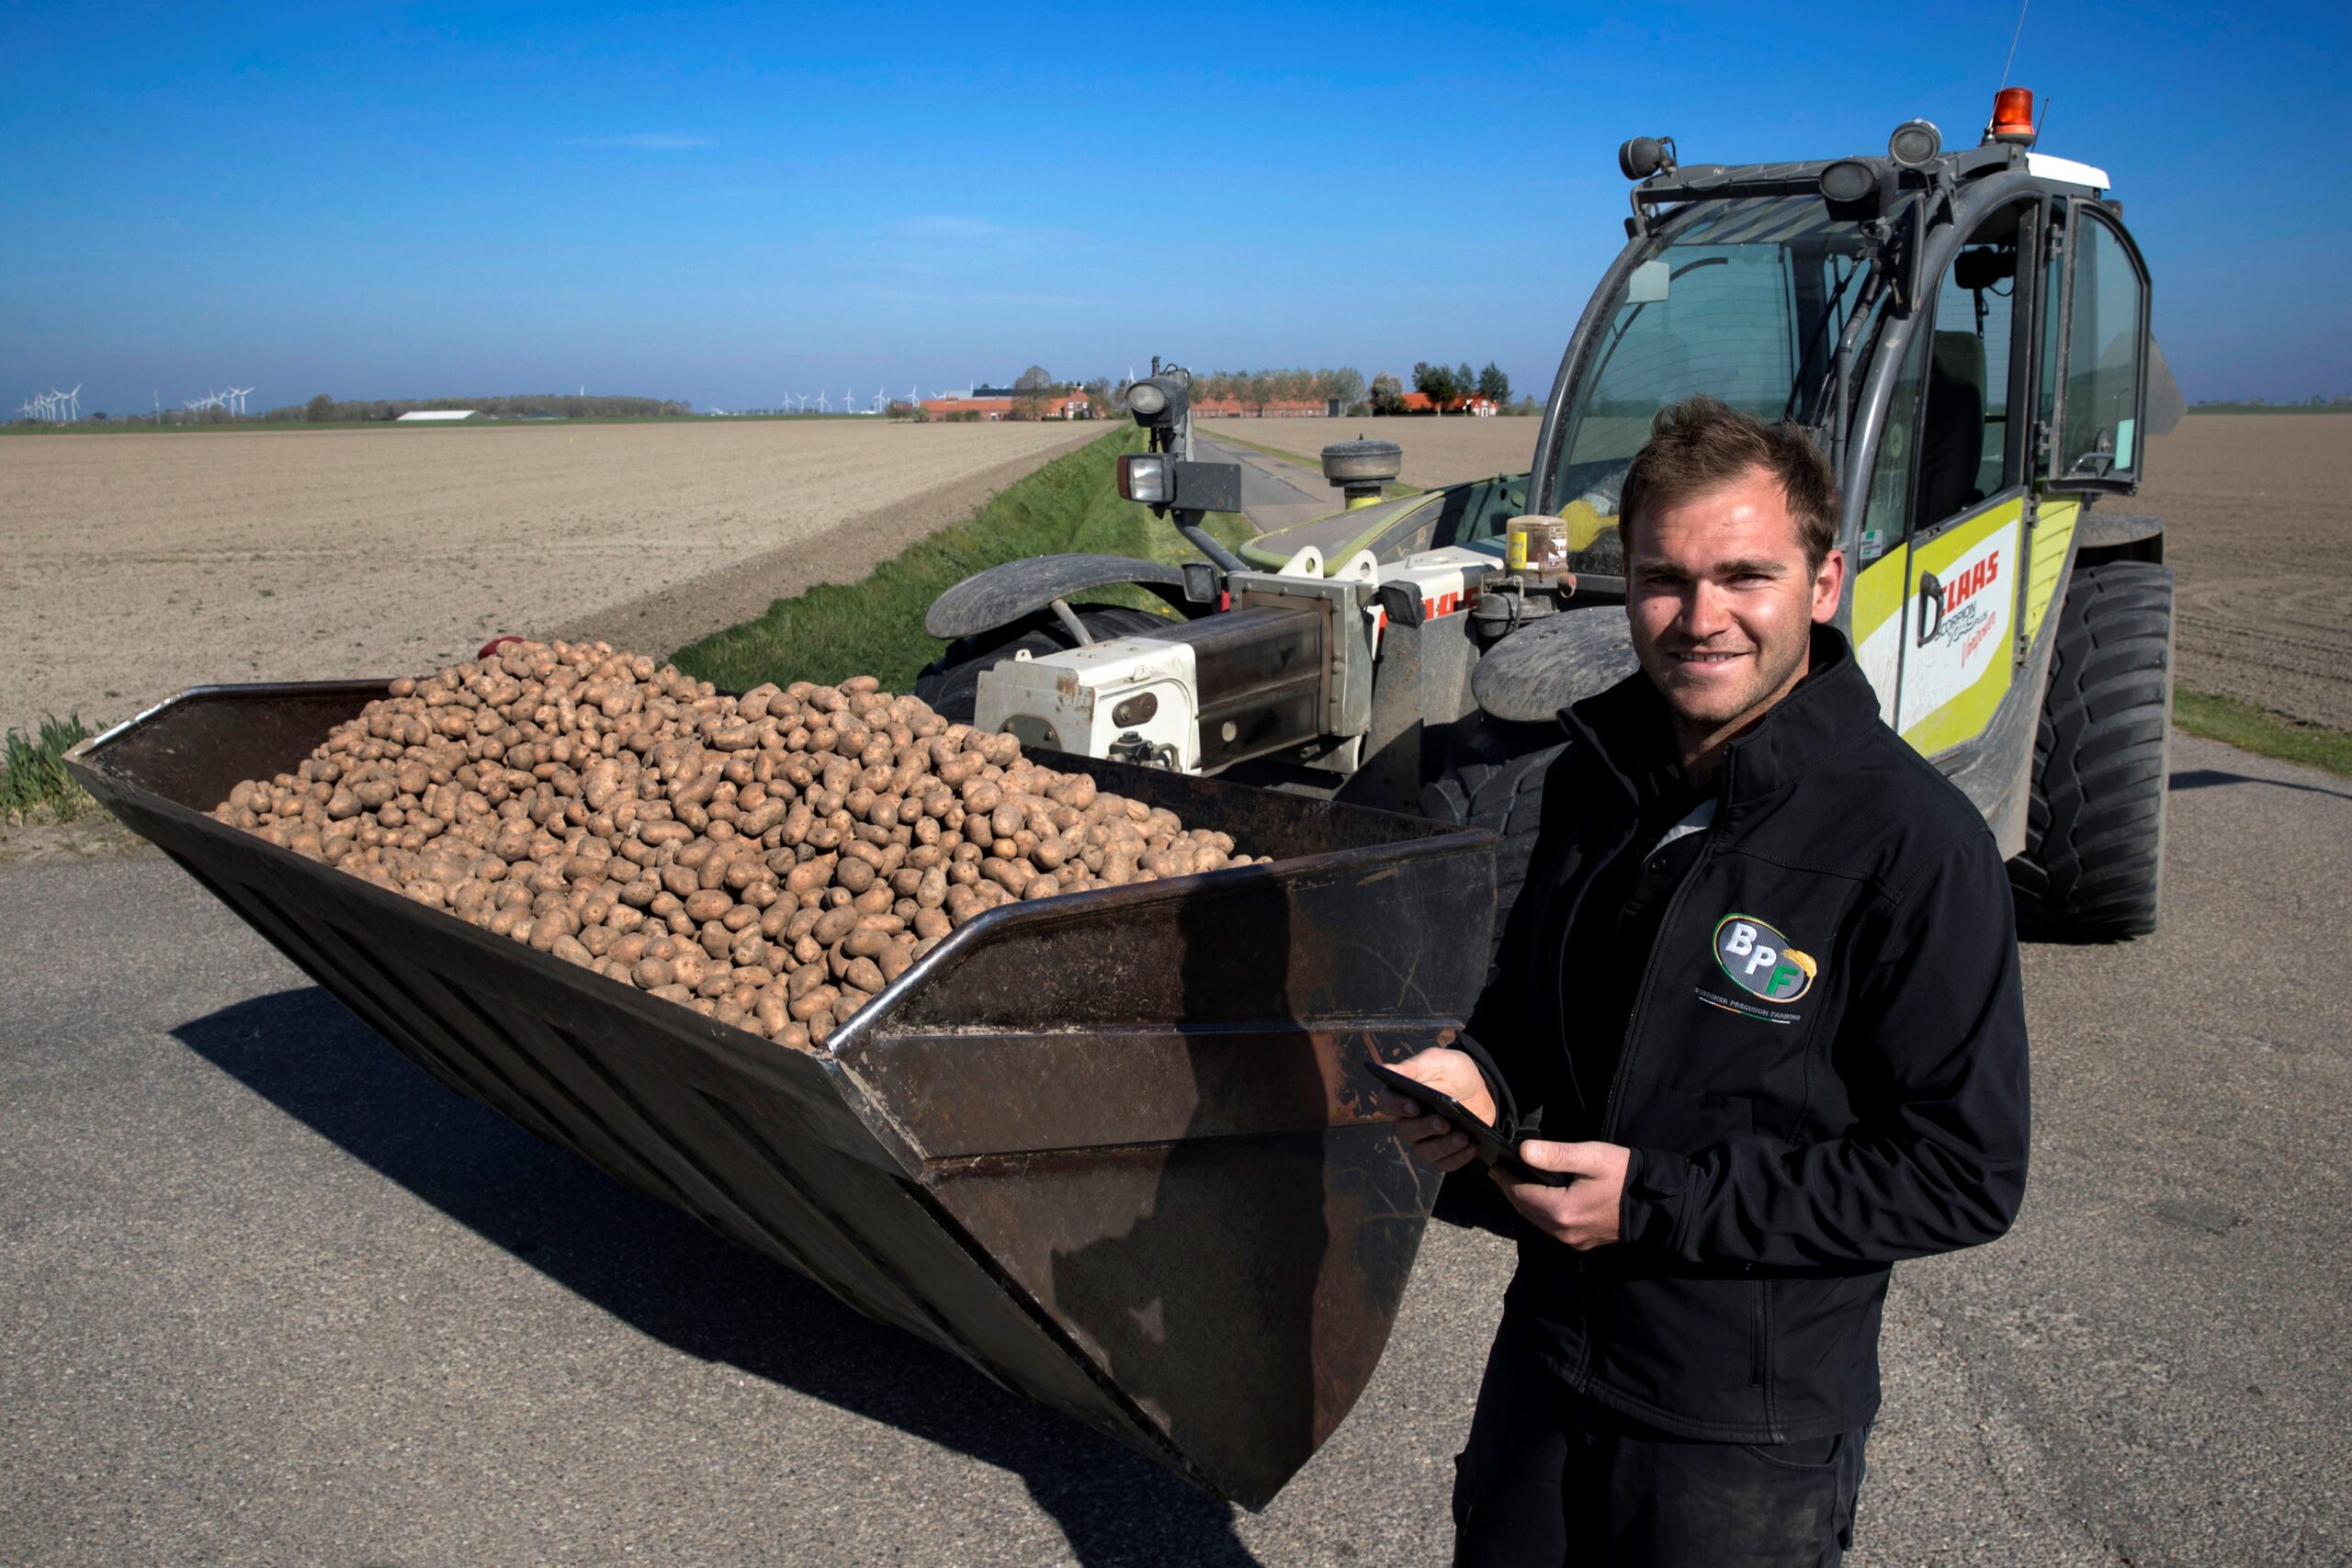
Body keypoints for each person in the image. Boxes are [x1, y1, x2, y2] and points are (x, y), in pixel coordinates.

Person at [1385, 395, 2030, 1566]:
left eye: (1745, 575)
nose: (1700, 618)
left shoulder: (1913, 846)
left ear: (1823, 583)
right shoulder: (1589, 782)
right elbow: (1533, 1013)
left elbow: (1960, 1174)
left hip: (1740, 1423)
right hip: (1549, 1357)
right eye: (1662, 579)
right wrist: (1474, 1075)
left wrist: (1656, 1201)